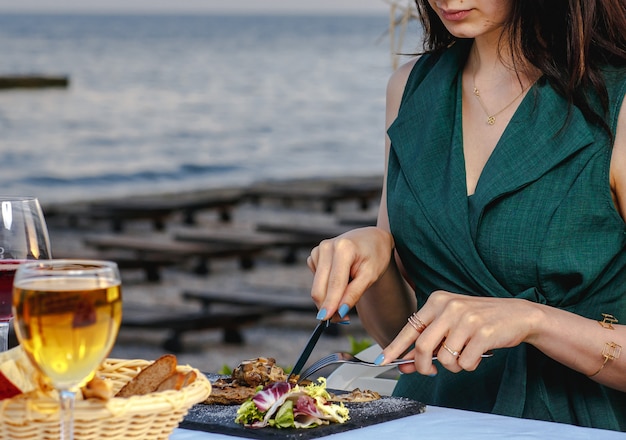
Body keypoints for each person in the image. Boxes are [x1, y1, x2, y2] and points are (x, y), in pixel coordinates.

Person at [307, 0, 626, 431]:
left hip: (580, 423)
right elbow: (403, 340)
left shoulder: (617, 102)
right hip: (431, 419)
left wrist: (535, 321)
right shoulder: (409, 90)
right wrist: (373, 257)